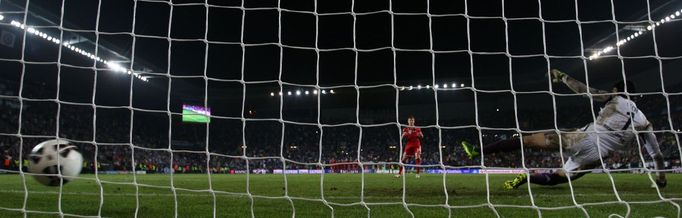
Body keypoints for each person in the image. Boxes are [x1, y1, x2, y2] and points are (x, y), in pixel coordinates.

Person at [460, 69, 667, 190]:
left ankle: (478, 151)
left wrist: (563, 77)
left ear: (618, 90)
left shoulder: (616, 97)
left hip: (582, 138)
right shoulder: (644, 121)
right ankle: (527, 178)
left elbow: (587, 91)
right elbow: (655, 153)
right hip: (597, 157)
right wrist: (661, 178)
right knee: (559, 177)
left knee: (528, 141)